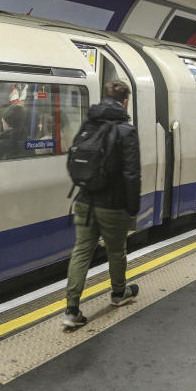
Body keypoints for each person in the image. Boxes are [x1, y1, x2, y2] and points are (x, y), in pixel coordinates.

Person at [63, 80, 141, 328]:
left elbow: (72, 160)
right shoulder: (126, 131)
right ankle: (119, 294)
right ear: (125, 101)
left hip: (85, 200)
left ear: (104, 97)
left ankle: (71, 309)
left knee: (81, 251)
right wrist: (132, 207)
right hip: (113, 204)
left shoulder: (89, 124)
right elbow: (132, 174)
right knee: (116, 250)